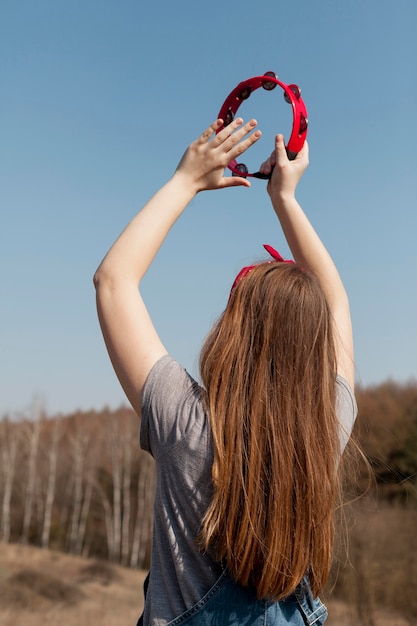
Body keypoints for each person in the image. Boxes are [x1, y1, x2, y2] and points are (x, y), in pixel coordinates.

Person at [94, 117, 357, 626]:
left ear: (232, 334)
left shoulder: (185, 421)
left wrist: (185, 181)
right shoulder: (328, 429)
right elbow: (338, 302)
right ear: (316, 347)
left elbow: (113, 281)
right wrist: (287, 199)